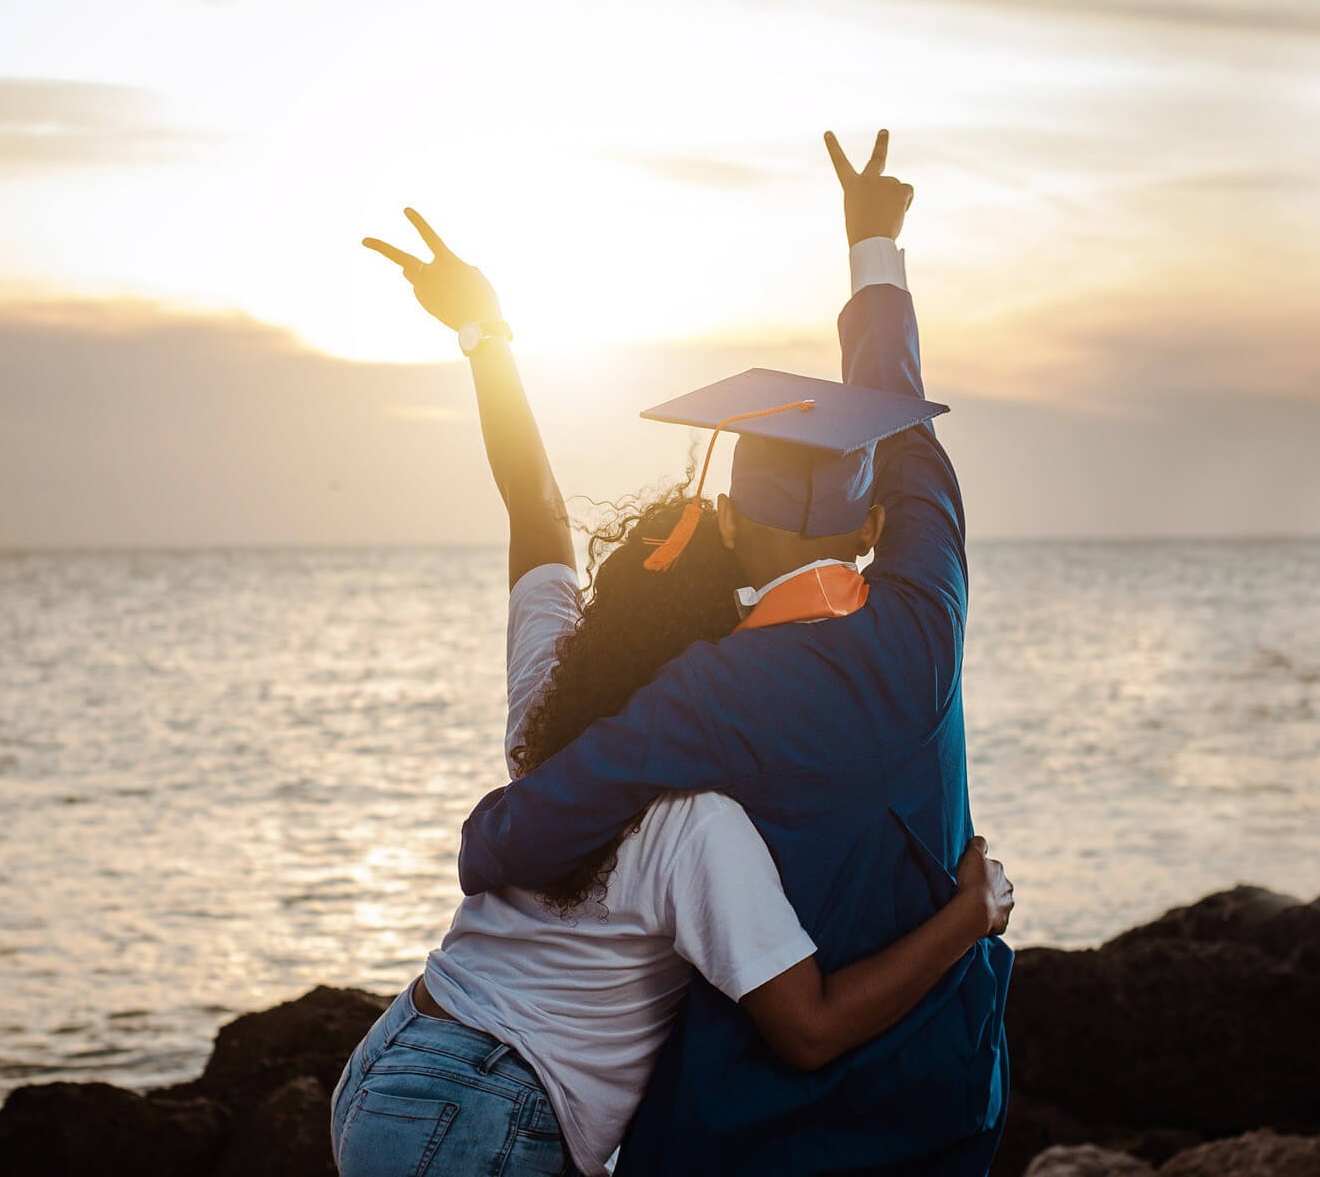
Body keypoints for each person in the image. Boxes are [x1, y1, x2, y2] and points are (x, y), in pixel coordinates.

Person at [330, 204, 1014, 1177]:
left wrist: (484, 337)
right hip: (496, 1111)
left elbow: (535, 510)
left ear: (732, 521)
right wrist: (970, 910)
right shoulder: (721, 801)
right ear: (869, 528)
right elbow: (809, 1026)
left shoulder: (572, 692)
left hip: (392, 1059)